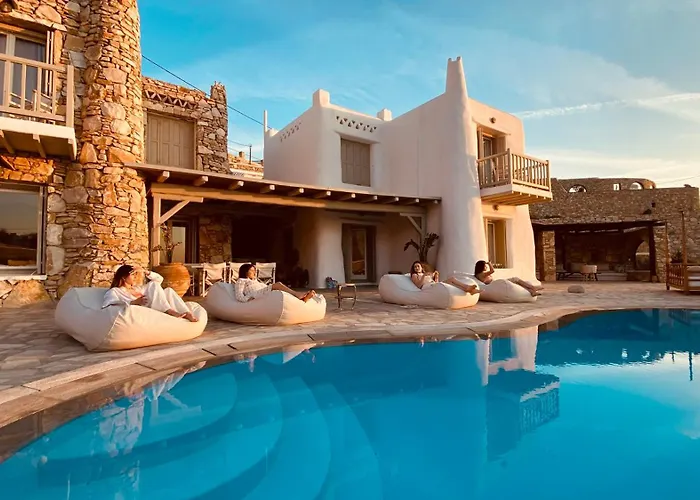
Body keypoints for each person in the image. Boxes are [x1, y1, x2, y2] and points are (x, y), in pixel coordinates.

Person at [102, 265, 198, 322]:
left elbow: (159, 279)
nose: (135, 277)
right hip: (144, 311)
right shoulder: (115, 291)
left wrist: (145, 271)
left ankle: (187, 313)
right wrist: (133, 302)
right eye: (132, 275)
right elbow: (109, 303)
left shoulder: (138, 288)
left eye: (136, 275)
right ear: (123, 277)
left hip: (155, 306)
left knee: (168, 290)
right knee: (154, 284)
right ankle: (170, 312)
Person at [234, 263, 317, 303]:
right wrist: (248, 299)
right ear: (245, 272)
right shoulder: (241, 281)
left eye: (254, 270)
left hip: (263, 291)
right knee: (278, 285)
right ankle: (297, 294)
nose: (254, 272)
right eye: (252, 270)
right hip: (255, 295)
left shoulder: (255, 281)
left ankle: (302, 300)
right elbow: (239, 296)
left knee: (282, 293)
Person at [474, 260, 544, 297]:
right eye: (485, 266)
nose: (486, 267)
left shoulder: (481, 274)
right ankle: (533, 288)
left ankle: (532, 291)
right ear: (481, 267)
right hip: (495, 284)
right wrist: (490, 264)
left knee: (516, 282)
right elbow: (492, 271)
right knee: (515, 279)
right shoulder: (481, 274)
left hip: (496, 283)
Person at [409, 261, 480, 295]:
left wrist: (436, 277)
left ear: (422, 267)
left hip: (433, 285)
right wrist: (424, 276)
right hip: (428, 287)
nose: (416, 268)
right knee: (451, 281)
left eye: (418, 266)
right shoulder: (415, 275)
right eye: (415, 267)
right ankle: (468, 289)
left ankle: (469, 289)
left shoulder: (425, 274)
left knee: (452, 279)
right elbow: (418, 286)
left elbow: (435, 282)